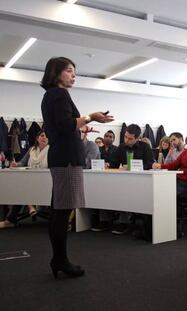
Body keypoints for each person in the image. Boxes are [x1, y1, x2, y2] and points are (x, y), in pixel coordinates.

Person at [40, 57, 113, 278]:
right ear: (56, 73)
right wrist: (91, 117)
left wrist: (80, 131)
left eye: (74, 72)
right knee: (63, 212)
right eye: (69, 71)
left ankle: (59, 259)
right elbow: (64, 124)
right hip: (67, 159)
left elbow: (62, 127)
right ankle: (60, 260)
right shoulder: (59, 94)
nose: (74, 75)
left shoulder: (50, 95)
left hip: (61, 156)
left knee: (59, 210)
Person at [0, 130, 49, 229]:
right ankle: (10, 220)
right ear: (37, 138)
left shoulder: (52, 150)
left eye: (47, 136)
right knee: (20, 190)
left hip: (46, 183)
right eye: (42, 136)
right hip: (31, 182)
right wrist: (16, 164)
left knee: (24, 190)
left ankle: (30, 206)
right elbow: (22, 162)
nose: (44, 138)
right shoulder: (31, 150)